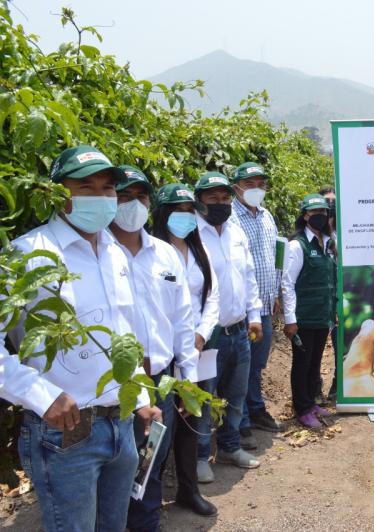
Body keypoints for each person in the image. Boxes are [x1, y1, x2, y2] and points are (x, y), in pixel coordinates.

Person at [0, 145, 160, 532]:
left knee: (113, 526)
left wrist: (139, 398)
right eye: (84, 186)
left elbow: (125, 335)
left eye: (107, 189)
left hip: (120, 424)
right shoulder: (28, 256)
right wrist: (40, 395)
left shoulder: (115, 253)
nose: (100, 198)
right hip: (66, 432)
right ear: (58, 193)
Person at [108, 168, 207, 531]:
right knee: (117, 469)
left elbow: (183, 322)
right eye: (123, 197)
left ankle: (147, 524)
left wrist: (188, 380)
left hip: (161, 382)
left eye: (141, 197)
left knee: (150, 465)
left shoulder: (164, 255)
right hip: (116, 387)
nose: (133, 205)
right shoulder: (100, 256)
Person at [150, 183, 219, 516]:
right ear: (164, 214)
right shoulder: (152, 251)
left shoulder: (198, 250)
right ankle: (148, 496)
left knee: (192, 417)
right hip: (164, 353)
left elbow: (213, 295)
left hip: (196, 351)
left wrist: (201, 335)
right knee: (160, 426)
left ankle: (187, 490)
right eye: (178, 211)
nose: (185, 217)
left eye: (189, 211)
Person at [195, 171, 263, 475]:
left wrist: (255, 316)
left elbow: (248, 277)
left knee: (235, 396)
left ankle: (229, 447)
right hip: (210, 338)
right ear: (199, 202)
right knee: (205, 398)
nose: (221, 203)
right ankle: (199, 456)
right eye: (213, 198)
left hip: (239, 331)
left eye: (224, 198)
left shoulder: (236, 233)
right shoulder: (192, 236)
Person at [229, 162, 284, 449]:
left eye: (260, 184)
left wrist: (275, 293)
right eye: (250, 184)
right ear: (237, 186)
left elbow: (273, 255)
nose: (256, 189)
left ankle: (255, 407)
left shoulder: (266, 216)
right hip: (243, 309)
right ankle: (242, 421)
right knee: (241, 365)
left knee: (257, 363)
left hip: (265, 306)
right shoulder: (230, 218)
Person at [281, 194, 336, 428]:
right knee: (302, 363)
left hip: (322, 315)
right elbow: (287, 283)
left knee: (314, 362)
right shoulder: (297, 246)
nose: (320, 217)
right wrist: (290, 319)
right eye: (315, 213)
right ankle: (301, 408)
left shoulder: (328, 243)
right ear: (305, 216)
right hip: (303, 317)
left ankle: (311, 402)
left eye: (324, 213)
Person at [318, 185, 338, 403]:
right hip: (319, 297)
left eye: (333, 202)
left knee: (339, 340)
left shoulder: (344, 232)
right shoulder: (314, 234)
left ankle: (337, 385)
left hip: (337, 296)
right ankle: (315, 387)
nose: (330, 205)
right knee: (315, 344)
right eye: (327, 202)